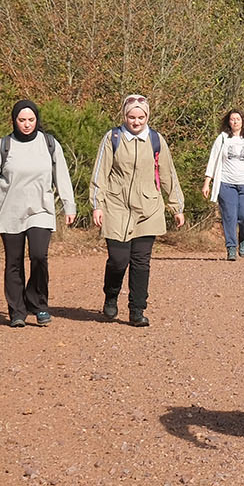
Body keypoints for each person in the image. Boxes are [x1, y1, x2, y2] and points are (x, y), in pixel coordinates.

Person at [0, 99, 76, 327]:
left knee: (39, 256)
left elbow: (62, 175)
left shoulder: (49, 144)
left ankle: (39, 305)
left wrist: (69, 205)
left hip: (41, 209)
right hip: (9, 210)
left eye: (31, 120)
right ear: (14, 120)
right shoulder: (2, 146)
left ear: (37, 119)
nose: (27, 124)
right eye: (22, 120)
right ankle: (17, 311)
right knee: (14, 262)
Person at [89, 94, 185, 327]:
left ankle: (137, 310)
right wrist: (97, 204)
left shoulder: (156, 140)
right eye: (131, 117)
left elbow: (167, 173)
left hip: (148, 208)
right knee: (118, 260)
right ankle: (111, 296)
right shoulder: (112, 138)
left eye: (141, 117)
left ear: (147, 116)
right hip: (116, 206)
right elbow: (100, 172)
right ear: (124, 116)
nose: (136, 121)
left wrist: (176, 206)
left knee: (141, 262)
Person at [201, 109, 244, 260]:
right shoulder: (223, 138)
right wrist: (207, 183)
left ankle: (243, 239)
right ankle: (231, 247)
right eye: (232, 119)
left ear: (243, 121)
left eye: (238, 119)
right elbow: (213, 160)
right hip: (226, 184)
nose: (235, 122)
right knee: (229, 216)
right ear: (228, 122)